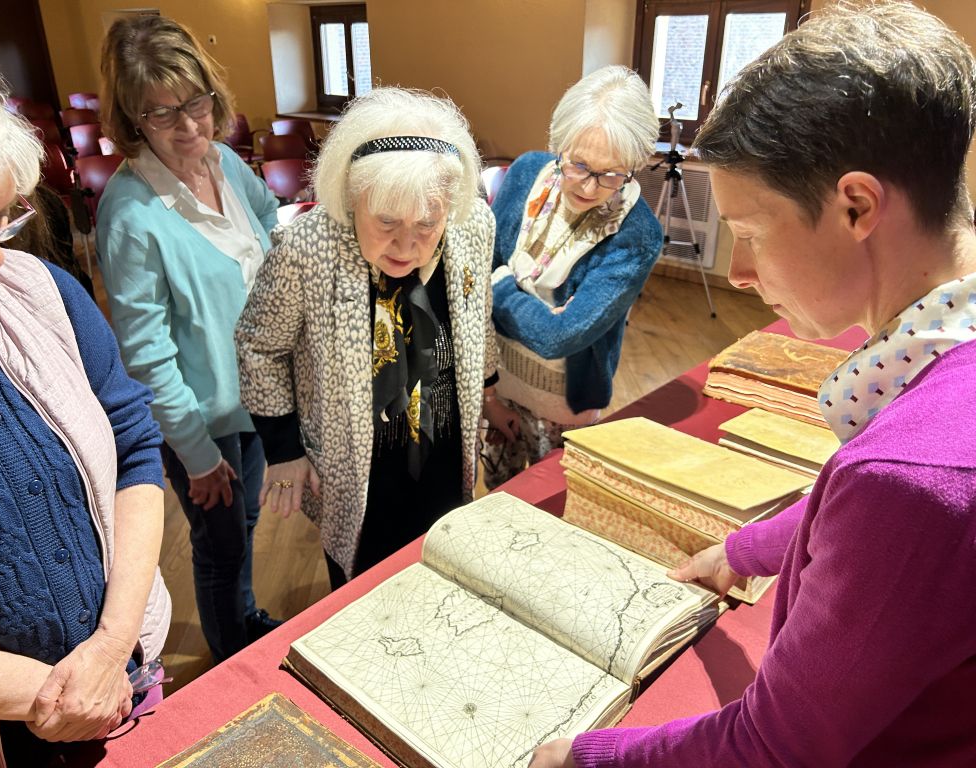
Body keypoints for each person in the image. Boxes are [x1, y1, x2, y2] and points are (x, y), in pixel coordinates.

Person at [530, 3, 976, 766]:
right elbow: (858, 515)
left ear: (857, 206)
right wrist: (744, 548)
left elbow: (772, 746)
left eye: (752, 234)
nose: (737, 274)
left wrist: (580, 758)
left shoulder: (909, 477)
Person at [0, 47, 170, 766]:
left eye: (0, 221)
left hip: (123, 681)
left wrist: (111, 649)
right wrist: (60, 694)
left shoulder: (40, 290)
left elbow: (135, 451)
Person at [235, 88, 518, 588]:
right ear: (351, 195)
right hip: (358, 472)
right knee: (362, 592)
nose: (406, 245)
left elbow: (479, 315)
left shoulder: (474, 226)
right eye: (386, 221)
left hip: (447, 457)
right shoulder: (308, 246)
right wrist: (283, 450)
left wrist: (490, 395)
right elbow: (260, 346)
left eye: (427, 224)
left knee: (442, 578)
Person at [96, 15, 281, 663]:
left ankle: (245, 616)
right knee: (219, 541)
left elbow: (267, 217)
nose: (189, 127)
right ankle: (233, 656)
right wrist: (198, 455)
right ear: (131, 119)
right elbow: (147, 359)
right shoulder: (131, 214)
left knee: (246, 521)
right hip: (199, 419)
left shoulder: (225, 161)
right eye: (162, 113)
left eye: (196, 103)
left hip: (254, 392)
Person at [482, 65, 663, 487]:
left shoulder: (637, 234)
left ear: (635, 164)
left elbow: (558, 338)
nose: (588, 186)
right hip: (496, 382)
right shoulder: (528, 172)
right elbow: (482, 262)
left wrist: (504, 283)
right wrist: (536, 310)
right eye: (578, 165)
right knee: (496, 498)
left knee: (552, 508)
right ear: (558, 145)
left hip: (564, 405)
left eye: (612, 174)